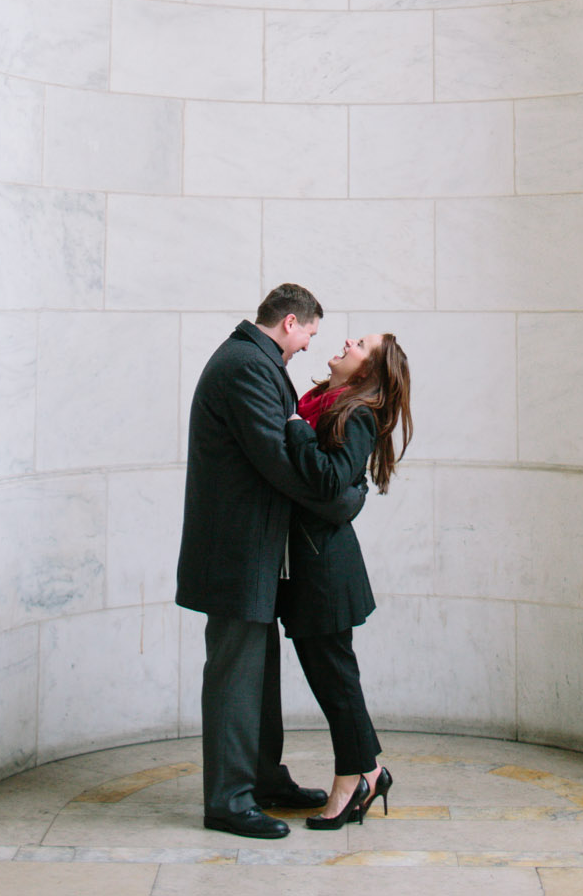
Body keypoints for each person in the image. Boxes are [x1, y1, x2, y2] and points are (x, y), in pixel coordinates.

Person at [174, 282, 366, 840]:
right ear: (289, 322)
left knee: (258, 677)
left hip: (252, 551)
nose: (309, 345)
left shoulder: (255, 361)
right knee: (236, 678)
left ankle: (262, 780)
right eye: (309, 332)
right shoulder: (245, 366)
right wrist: (344, 500)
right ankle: (229, 801)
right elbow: (279, 463)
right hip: (235, 553)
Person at [281, 331, 415, 829]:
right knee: (334, 680)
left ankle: (351, 780)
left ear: (366, 372)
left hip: (326, 572)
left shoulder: (354, 413)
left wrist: (295, 430)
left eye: (358, 344)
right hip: (315, 569)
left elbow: (333, 480)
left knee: (337, 684)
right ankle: (371, 772)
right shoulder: (323, 403)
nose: (346, 342)